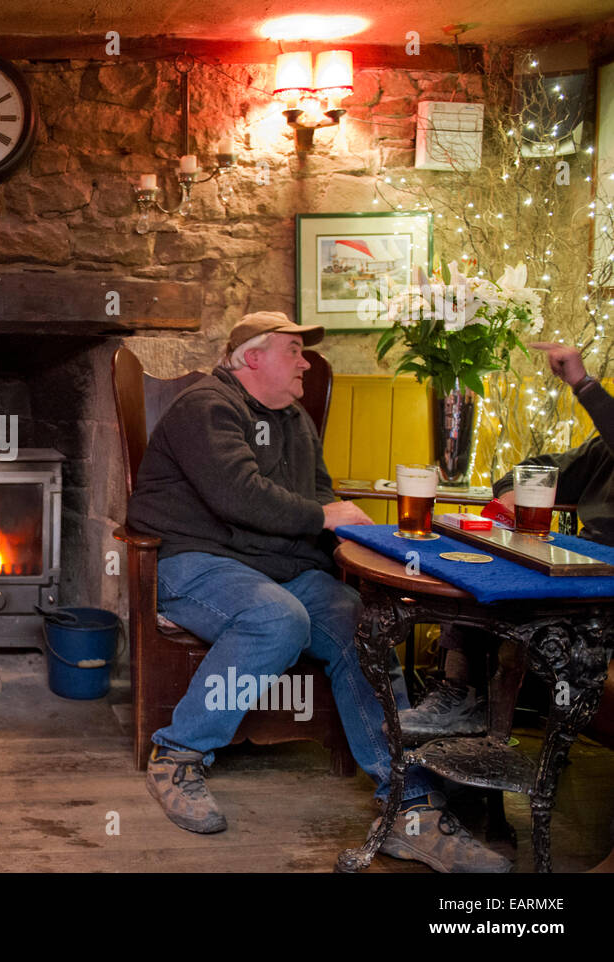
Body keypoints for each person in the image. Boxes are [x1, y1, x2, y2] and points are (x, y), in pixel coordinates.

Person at [125, 310, 510, 872]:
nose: (306, 362)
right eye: (293, 350)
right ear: (252, 356)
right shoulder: (207, 407)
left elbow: (320, 494)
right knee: (277, 619)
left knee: (362, 621)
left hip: (272, 564)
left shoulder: (292, 418)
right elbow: (241, 496)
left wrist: (352, 550)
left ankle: (412, 808)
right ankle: (178, 754)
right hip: (193, 561)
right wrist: (325, 517)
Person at [403, 340, 614, 735]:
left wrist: (583, 384)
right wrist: (509, 491)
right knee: (479, 568)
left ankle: (470, 706)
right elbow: (539, 468)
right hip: (579, 572)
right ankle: (460, 695)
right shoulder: (605, 449)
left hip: (602, 590)